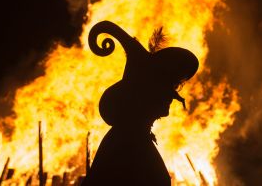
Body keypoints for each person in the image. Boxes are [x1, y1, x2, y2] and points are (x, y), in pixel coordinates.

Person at [82, 21, 199, 186]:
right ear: (145, 97)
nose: (171, 98)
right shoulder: (129, 142)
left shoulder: (128, 138)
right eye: (166, 91)